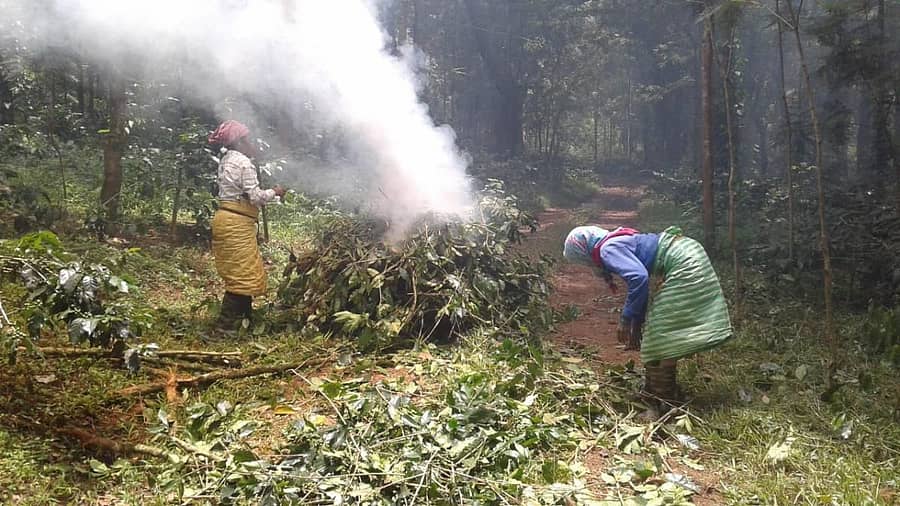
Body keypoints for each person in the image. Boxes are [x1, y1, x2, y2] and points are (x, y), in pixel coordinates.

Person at [563, 225, 732, 410]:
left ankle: (665, 401)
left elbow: (638, 278)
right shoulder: (611, 242)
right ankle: (655, 393)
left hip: (685, 261)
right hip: (688, 252)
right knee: (657, 329)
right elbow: (640, 287)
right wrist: (637, 327)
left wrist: (625, 320)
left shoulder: (607, 249)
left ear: (583, 252)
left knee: (662, 333)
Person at [207, 120, 285, 332]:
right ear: (239, 141)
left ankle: (244, 320)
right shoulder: (243, 163)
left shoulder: (226, 160)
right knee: (242, 274)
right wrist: (275, 192)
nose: (251, 143)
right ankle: (225, 326)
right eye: (247, 139)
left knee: (243, 270)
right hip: (236, 223)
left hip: (227, 220)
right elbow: (256, 197)